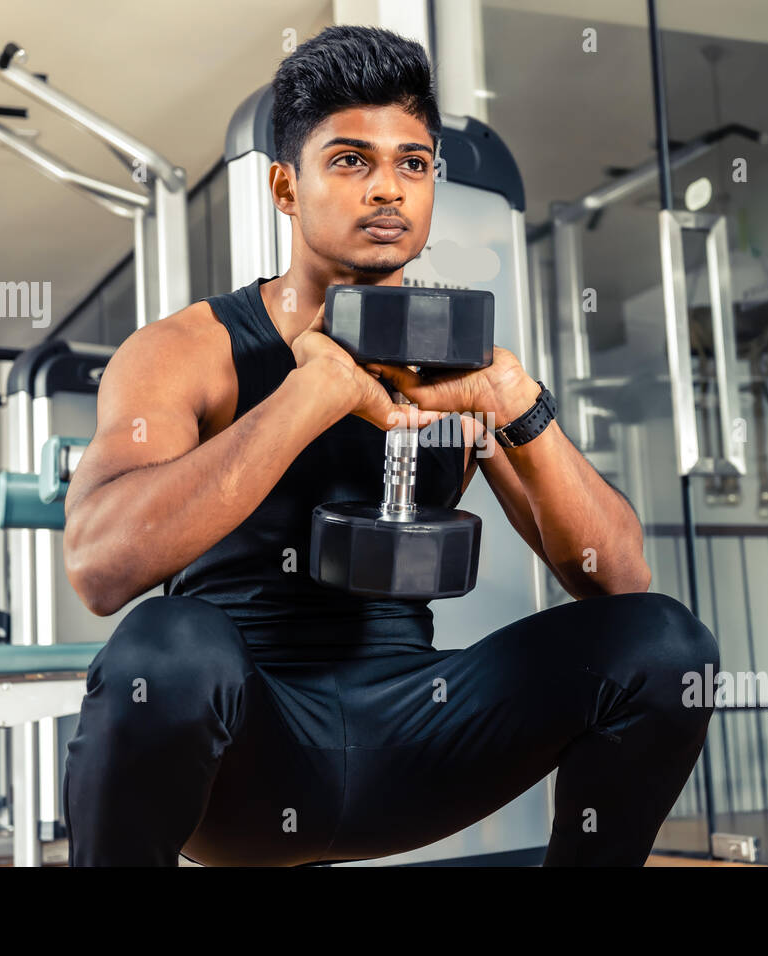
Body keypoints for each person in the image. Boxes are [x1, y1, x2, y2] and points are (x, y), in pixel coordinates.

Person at [60, 24, 718, 867]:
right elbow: (99, 570)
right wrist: (308, 396)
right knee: (168, 645)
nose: (389, 190)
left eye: (413, 163)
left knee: (667, 645)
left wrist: (514, 403)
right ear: (285, 188)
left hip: (419, 733)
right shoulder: (187, 352)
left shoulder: (463, 360)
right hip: (249, 758)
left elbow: (619, 581)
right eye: (349, 161)